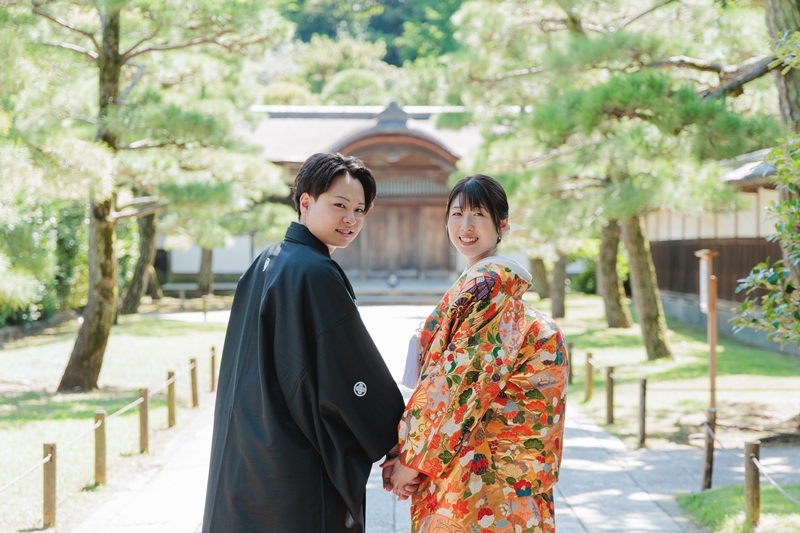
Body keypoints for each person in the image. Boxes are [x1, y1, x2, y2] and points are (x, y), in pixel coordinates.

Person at [203, 152, 405, 532]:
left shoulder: (267, 261)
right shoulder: (314, 271)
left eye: (360, 210)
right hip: (292, 459)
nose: (351, 219)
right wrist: (395, 440)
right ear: (306, 202)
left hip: (248, 448)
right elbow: (349, 371)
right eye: (339, 205)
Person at [384, 174, 568, 533]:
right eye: (457, 215)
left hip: (482, 463)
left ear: (502, 225)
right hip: (493, 461)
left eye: (478, 215)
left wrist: (413, 457)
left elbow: (460, 382)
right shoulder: (482, 282)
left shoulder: (488, 286)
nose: (465, 226)